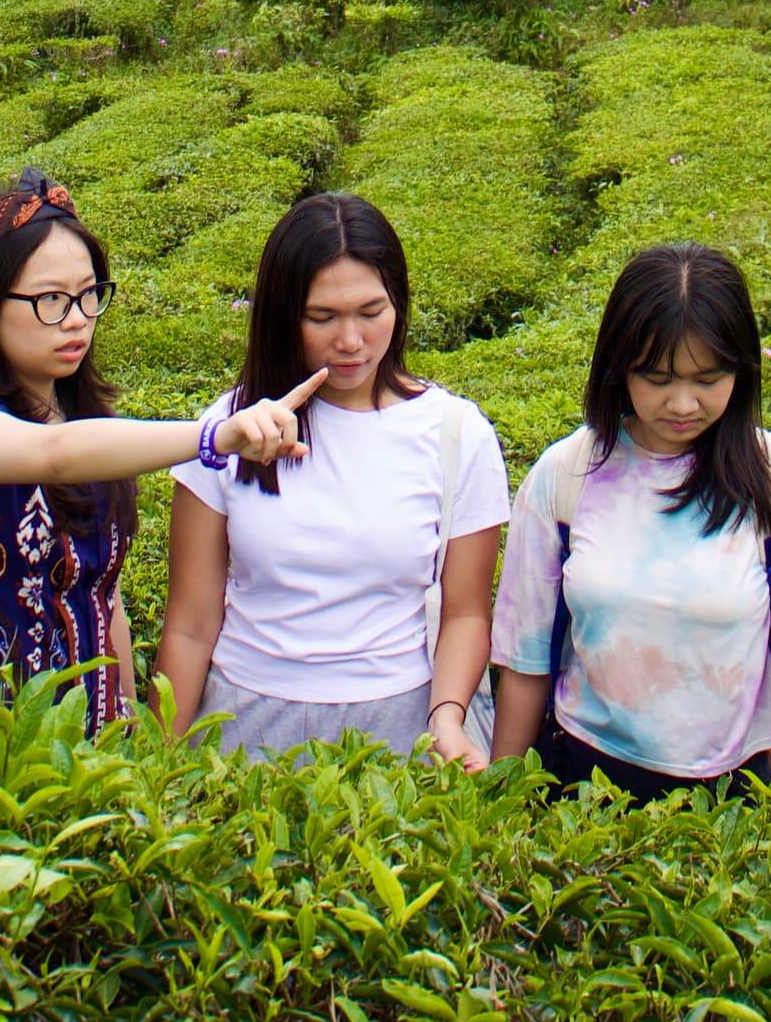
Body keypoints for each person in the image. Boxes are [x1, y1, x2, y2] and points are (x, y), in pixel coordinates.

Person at [0, 170, 321, 729]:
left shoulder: (90, 426)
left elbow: (107, 600)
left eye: (88, 295)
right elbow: (52, 455)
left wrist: (127, 724)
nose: (77, 318)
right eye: (50, 299)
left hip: (88, 741)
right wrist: (213, 437)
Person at [488, 242, 771, 803]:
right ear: (620, 367)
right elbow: (526, 664)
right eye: (659, 378)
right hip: (584, 785)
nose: (684, 404)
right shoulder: (566, 475)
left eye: (708, 379)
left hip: (733, 796)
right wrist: (502, 798)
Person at [156, 192, 509, 764]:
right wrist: (160, 760)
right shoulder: (229, 429)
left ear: (399, 303)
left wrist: (447, 716)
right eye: (322, 317)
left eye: (371, 312)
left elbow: (466, 612)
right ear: (282, 315)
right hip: (245, 721)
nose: (350, 341)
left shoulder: (455, 433)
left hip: (398, 724)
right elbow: (191, 624)